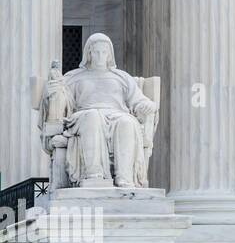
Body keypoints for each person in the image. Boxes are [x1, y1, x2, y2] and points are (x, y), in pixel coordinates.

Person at [41, 33, 158, 187]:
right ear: (89, 54)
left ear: (110, 54)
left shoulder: (122, 77)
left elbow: (138, 100)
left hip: (117, 115)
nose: (100, 56)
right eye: (96, 52)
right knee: (93, 117)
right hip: (84, 116)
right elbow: (63, 101)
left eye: (104, 52)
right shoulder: (74, 77)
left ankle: (125, 178)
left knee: (127, 122)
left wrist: (148, 105)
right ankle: (93, 175)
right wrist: (53, 91)